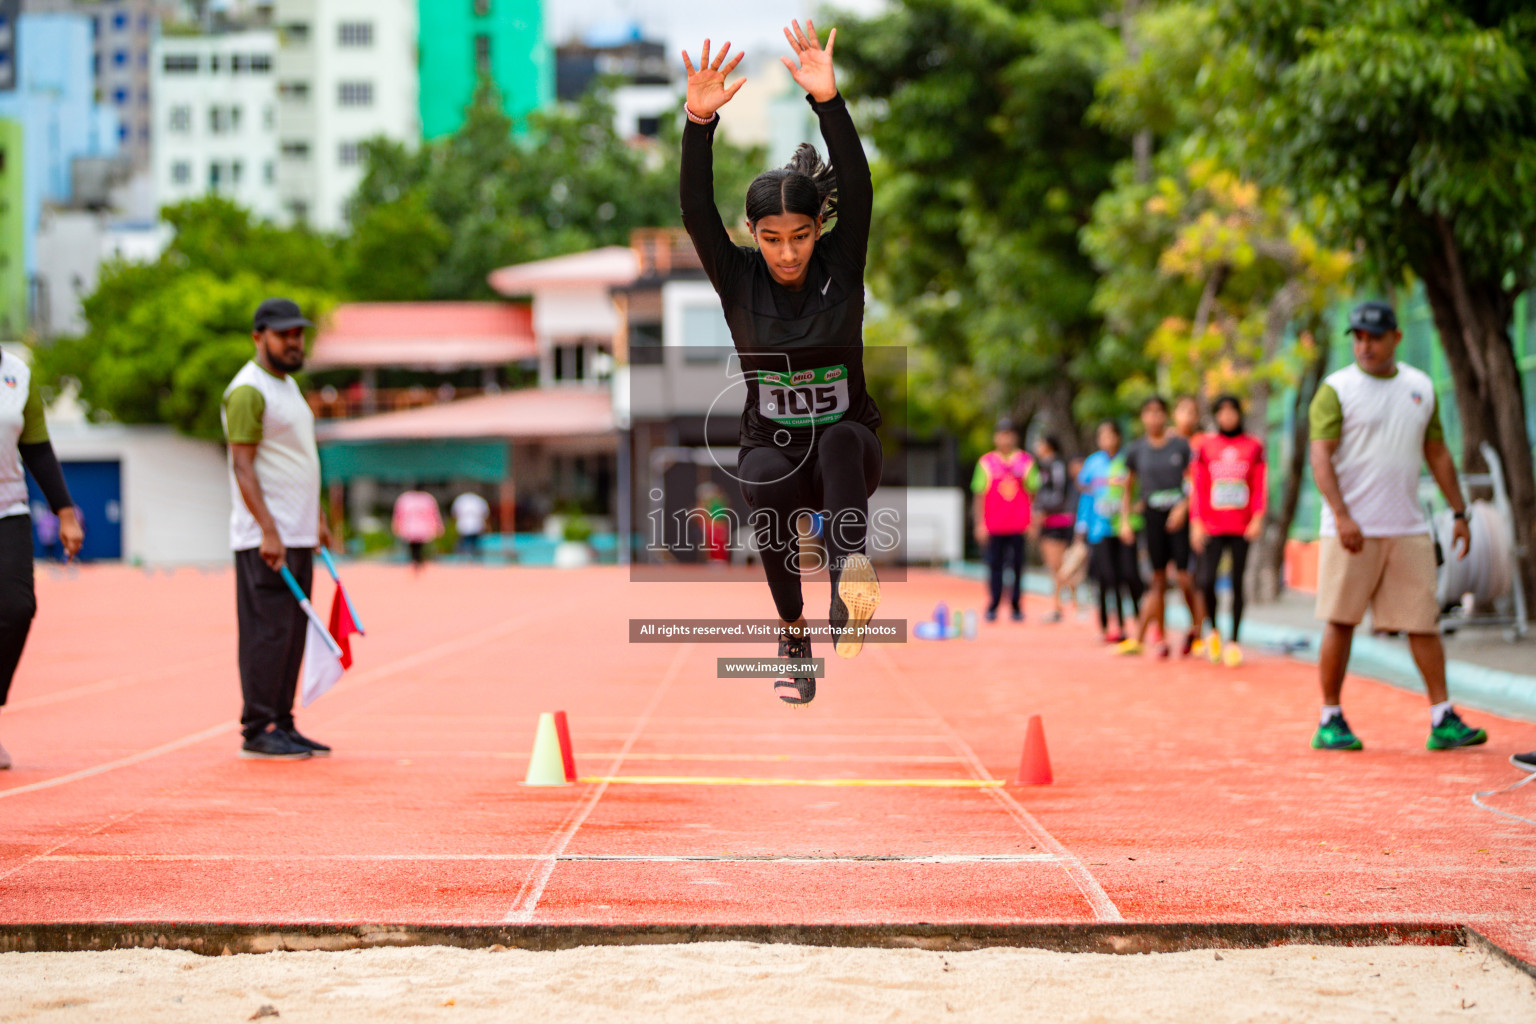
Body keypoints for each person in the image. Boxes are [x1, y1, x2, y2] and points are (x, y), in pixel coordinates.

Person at [680, 22, 882, 705]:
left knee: (844, 438)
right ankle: (794, 634)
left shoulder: (842, 265)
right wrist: (698, 121)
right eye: (772, 239)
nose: (788, 253)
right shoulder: (737, 280)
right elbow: (692, 208)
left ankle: (849, 579)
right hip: (774, 449)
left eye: (800, 236)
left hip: (849, 457)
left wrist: (829, 103)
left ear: (819, 229)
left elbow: (857, 185)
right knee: (761, 478)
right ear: (752, 236)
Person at [1308, 300, 1485, 752]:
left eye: (1375, 336)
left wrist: (1460, 513)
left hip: (1407, 527)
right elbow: (1320, 457)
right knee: (1341, 621)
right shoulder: (1336, 388)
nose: (1365, 345)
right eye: (1359, 337)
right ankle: (1330, 717)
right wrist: (1343, 516)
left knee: (1422, 622)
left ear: (1396, 337)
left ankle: (1441, 717)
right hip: (1351, 531)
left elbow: (1438, 453)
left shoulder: (1420, 387)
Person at [223, 297, 332, 761]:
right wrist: (268, 530)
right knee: (268, 632)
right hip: (267, 538)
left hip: (299, 531)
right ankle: (258, 726)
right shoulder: (250, 389)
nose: (294, 341)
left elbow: (297, 459)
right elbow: (243, 466)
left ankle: (282, 721)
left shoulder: (287, 386)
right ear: (258, 336)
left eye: (298, 334)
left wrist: (318, 517)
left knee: (291, 632)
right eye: (284, 334)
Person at [0, 350, 84, 770]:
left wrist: (64, 511)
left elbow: (36, 448)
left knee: (17, 608)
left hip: (6, 509)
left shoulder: (16, 373)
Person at [1117, 397, 1198, 658]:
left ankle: (1196, 630)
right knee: (1158, 579)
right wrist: (1125, 520)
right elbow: (1127, 488)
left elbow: (1193, 482)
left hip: (1178, 518)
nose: (1154, 418)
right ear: (1143, 417)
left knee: (1185, 578)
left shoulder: (1180, 446)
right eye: (1148, 413)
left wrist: (1183, 507)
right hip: (1152, 518)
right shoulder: (1136, 449)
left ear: (1166, 416)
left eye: (1158, 413)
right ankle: (1160, 637)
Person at [1190, 394, 1266, 667]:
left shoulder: (1253, 446)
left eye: (1232, 411)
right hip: (1212, 525)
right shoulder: (1205, 446)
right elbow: (1198, 487)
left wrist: (1257, 517)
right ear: (1216, 416)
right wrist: (1196, 522)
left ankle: (1233, 641)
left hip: (1242, 526)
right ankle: (1213, 632)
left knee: (1237, 581)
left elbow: (1259, 484)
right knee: (1206, 581)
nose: (1227, 417)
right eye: (1221, 412)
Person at [1076, 421, 1142, 643]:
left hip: (1124, 527)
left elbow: (1139, 488)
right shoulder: (1093, 463)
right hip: (1099, 529)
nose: (1106, 440)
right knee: (1106, 578)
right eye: (1101, 436)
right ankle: (1107, 627)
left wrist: (1135, 508)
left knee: (1129, 576)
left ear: (1118, 437)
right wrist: (1081, 524)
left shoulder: (1127, 460)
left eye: (1110, 436)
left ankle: (1137, 624)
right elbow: (1084, 491)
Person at [972, 419, 1038, 622]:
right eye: (1002, 434)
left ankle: (1017, 606)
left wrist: (1032, 521)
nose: (1005, 438)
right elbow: (979, 495)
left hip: (1019, 525)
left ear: (1015, 437)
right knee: (995, 566)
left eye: (1009, 433)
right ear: (996, 437)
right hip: (994, 525)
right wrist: (980, 524)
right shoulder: (986, 463)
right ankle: (993, 604)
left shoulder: (1025, 462)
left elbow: (1033, 493)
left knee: (1017, 566)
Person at [1032, 435, 1079, 623]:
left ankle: (1065, 605)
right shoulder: (1042, 466)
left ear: (1048, 445)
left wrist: (1044, 510)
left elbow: (1059, 493)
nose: (1037, 446)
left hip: (1058, 520)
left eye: (1039, 442)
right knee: (1056, 567)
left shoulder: (1056, 465)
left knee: (1060, 566)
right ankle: (1062, 604)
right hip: (1048, 520)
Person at [393, 489, 444, 573]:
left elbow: (398, 515)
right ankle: (417, 561)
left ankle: (416, 561)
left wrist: (396, 525)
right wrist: (438, 527)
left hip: (411, 527)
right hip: (419, 528)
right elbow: (434, 515)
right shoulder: (427, 499)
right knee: (418, 547)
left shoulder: (406, 499)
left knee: (415, 547)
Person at [451, 490, 491, 561]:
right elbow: (485, 515)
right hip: (474, 525)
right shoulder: (479, 500)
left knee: (466, 543)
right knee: (472, 544)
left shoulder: (460, 500)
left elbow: (454, 514)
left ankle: (466, 559)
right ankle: (470, 559)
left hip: (466, 525)